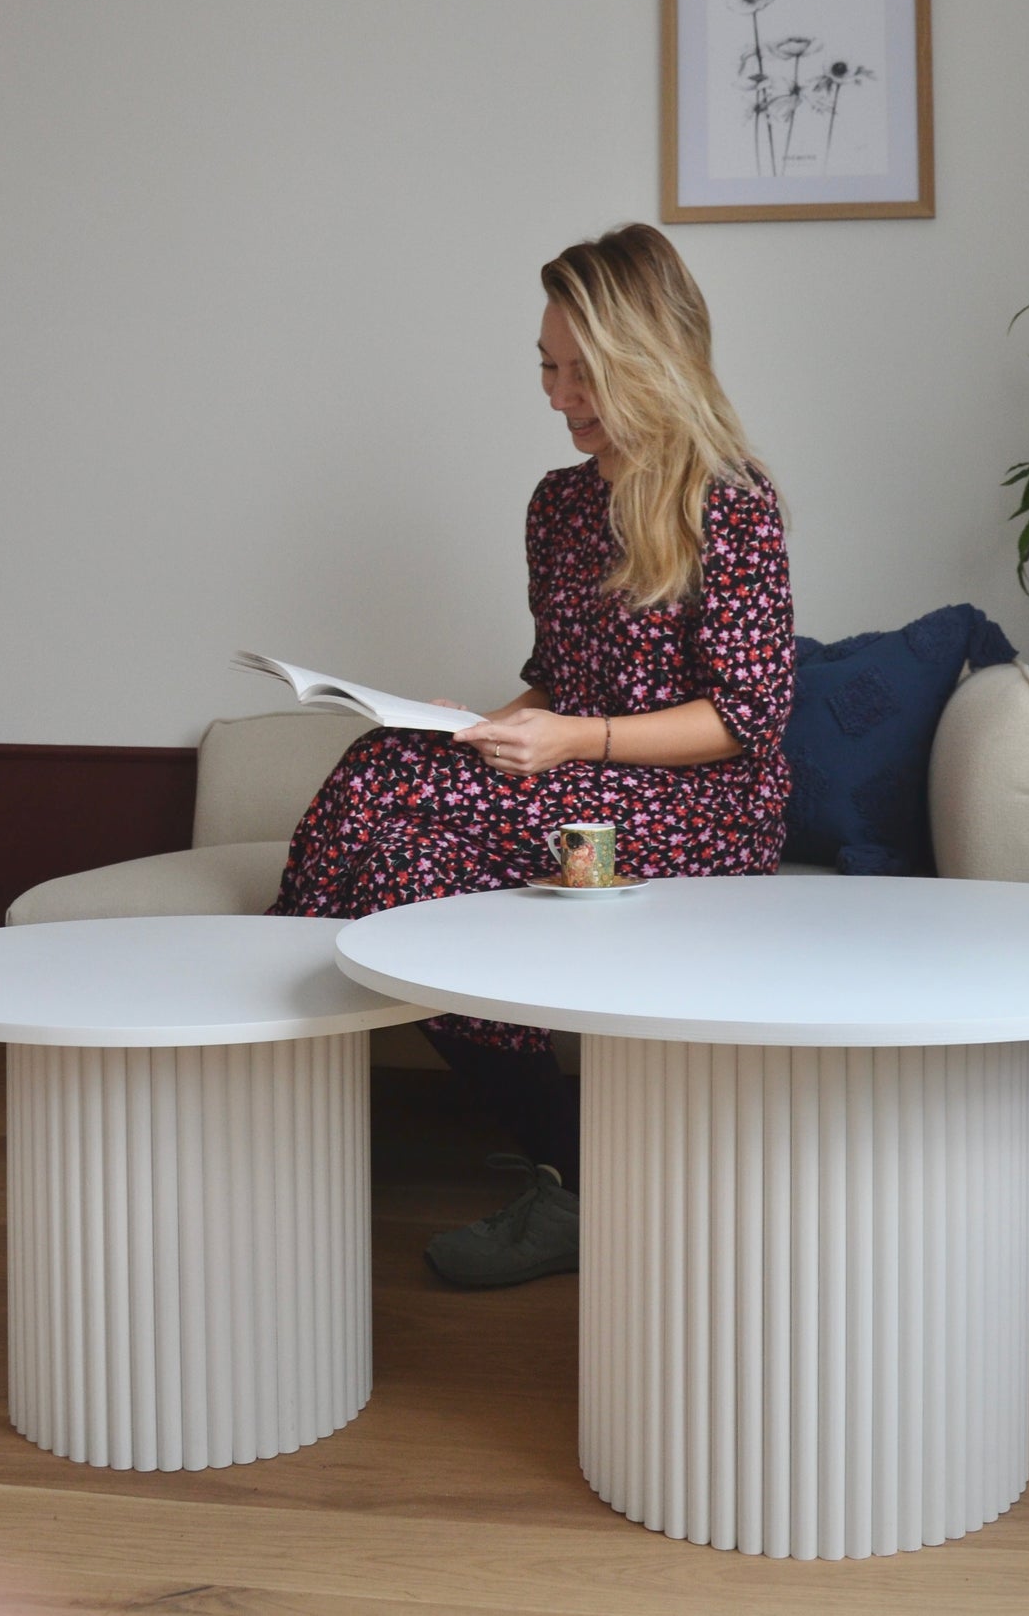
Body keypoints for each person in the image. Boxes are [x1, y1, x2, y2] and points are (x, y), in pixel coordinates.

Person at [270, 223, 795, 1287]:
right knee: (399, 857)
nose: (558, 395)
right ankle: (575, 1171)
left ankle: (261, 1068)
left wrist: (568, 739)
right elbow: (556, 677)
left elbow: (746, 717)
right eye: (546, 367)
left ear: (647, 358)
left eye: (580, 371)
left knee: (379, 778)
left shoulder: (729, 501)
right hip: (581, 780)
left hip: (700, 808)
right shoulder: (558, 504)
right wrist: (484, 728)